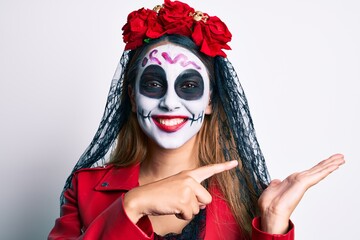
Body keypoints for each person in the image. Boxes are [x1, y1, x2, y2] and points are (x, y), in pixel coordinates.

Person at [48, 1, 345, 239]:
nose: (169, 102)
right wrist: (132, 205)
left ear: (211, 101)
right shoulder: (85, 188)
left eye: (189, 86)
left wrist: (273, 226)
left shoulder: (248, 198)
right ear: (131, 96)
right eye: (153, 84)